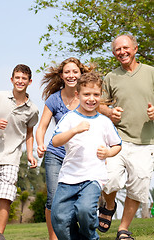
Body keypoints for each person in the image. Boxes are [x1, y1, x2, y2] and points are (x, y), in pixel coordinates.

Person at [50, 71, 122, 240]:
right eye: (86, 94)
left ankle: (91, 237)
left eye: (96, 94)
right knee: (59, 219)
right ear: (77, 95)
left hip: (93, 177)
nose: (91, 98)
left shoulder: (104, 121)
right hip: (68, 177)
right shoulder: (69, 118)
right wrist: (74, 130)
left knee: (85, 210)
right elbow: (55, 141)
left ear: (100, 95)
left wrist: (108, 152)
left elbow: (117, 145)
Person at [98, 34, 154, 240]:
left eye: (125, 48)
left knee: (139, 185)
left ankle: (123, 229)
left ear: (135, 49)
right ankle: (110, 205)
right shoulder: (111, 77)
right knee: (109, 179)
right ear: (114, 53)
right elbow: (99, 104)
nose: (121, 52)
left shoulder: (150, 73)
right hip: (118, 140)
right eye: (117, 50)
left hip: (146, 142)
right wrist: (109, 112)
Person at [0, 64, 39, 240]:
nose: (20, 81)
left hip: (11, 158)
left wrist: (29, 154)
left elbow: (29, 134)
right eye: (17, 78)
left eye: (24, 78)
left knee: (6, 194)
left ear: (29, 81)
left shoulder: (32, 109)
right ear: (12, 79)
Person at [36, 57, 93, 240]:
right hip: (56, 154)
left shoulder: (87, 97)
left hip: (79, 156)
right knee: (53, 198)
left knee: (78, 199)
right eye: (67, 72)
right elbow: (42, 127)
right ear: (61, 75)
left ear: (81, 74)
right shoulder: (54, 99)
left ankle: (77, 233)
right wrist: (40, 143)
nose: (71, 75)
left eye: (75, 72)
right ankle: (53, 236)